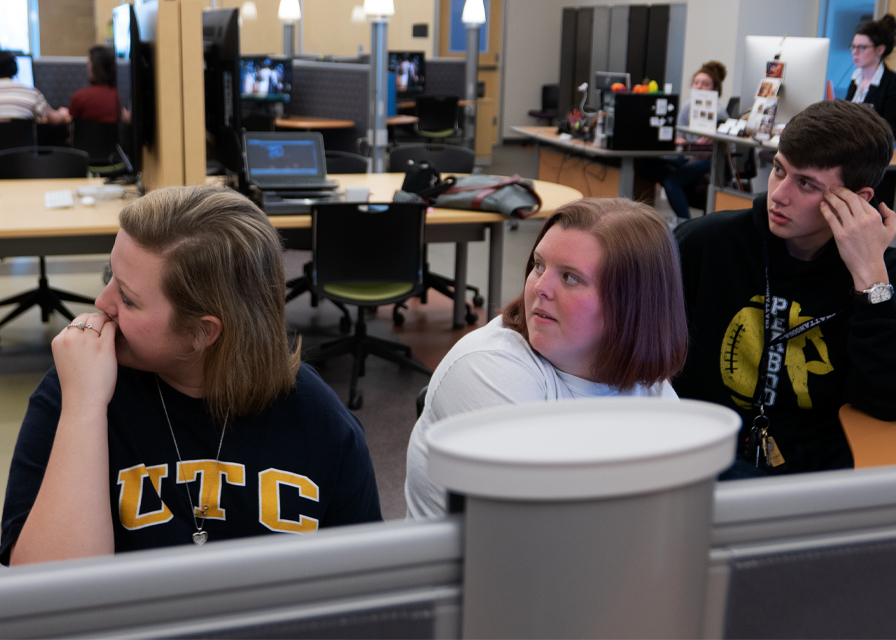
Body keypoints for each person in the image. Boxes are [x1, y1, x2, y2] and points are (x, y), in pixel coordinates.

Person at [1, 186, 381, 566]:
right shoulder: (76, 386)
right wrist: (84, 406)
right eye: (109, 275)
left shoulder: (322, 425)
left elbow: (368, 597)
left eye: (129, 299)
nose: (102, 303)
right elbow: (49, 597)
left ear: (203, 333)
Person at [405, 198, 688, 519]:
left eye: (570, 277)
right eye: (539, 265)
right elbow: (546, 534)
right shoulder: (488, 367)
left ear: (632, 305)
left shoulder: (646, 384)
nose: (540, 286)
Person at [673, 99, 896, 479]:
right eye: (779, 169)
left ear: (857, 202)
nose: (778, 194)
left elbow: (885, 400)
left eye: (805, 183)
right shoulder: (704, 243)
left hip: (816, 469)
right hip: (700, 451)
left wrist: (871, 281)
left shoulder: (880, 277)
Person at [642, 61, 729, 221]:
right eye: (696, 83)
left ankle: (686, 224)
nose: (699, 87)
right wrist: (680, 140)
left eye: (705, 84)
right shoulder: (688, 106)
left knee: (670, 182)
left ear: (715, 89)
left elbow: (717, 148)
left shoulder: (720, 112)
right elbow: (678, 134)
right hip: (688, 155)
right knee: (649, 166)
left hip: (708, 160)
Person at [845, 14, 896, 135]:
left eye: (862, 47)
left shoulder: (892, 82)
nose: (855, 52)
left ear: (880, 50)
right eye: (853, 47)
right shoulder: (856, 79)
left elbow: (891, 129)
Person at [0, 50, 69, 124]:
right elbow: (54, 118)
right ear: (14, 68)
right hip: (21, 135)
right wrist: (61, 113)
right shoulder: (31, 93)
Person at [68, 45, 122, 124]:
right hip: (108, 137)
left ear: (94, 67)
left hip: (84, 136)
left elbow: (72, 127)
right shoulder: (116, 96)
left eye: (89, 62)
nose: (87, 66)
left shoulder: (79, 97)